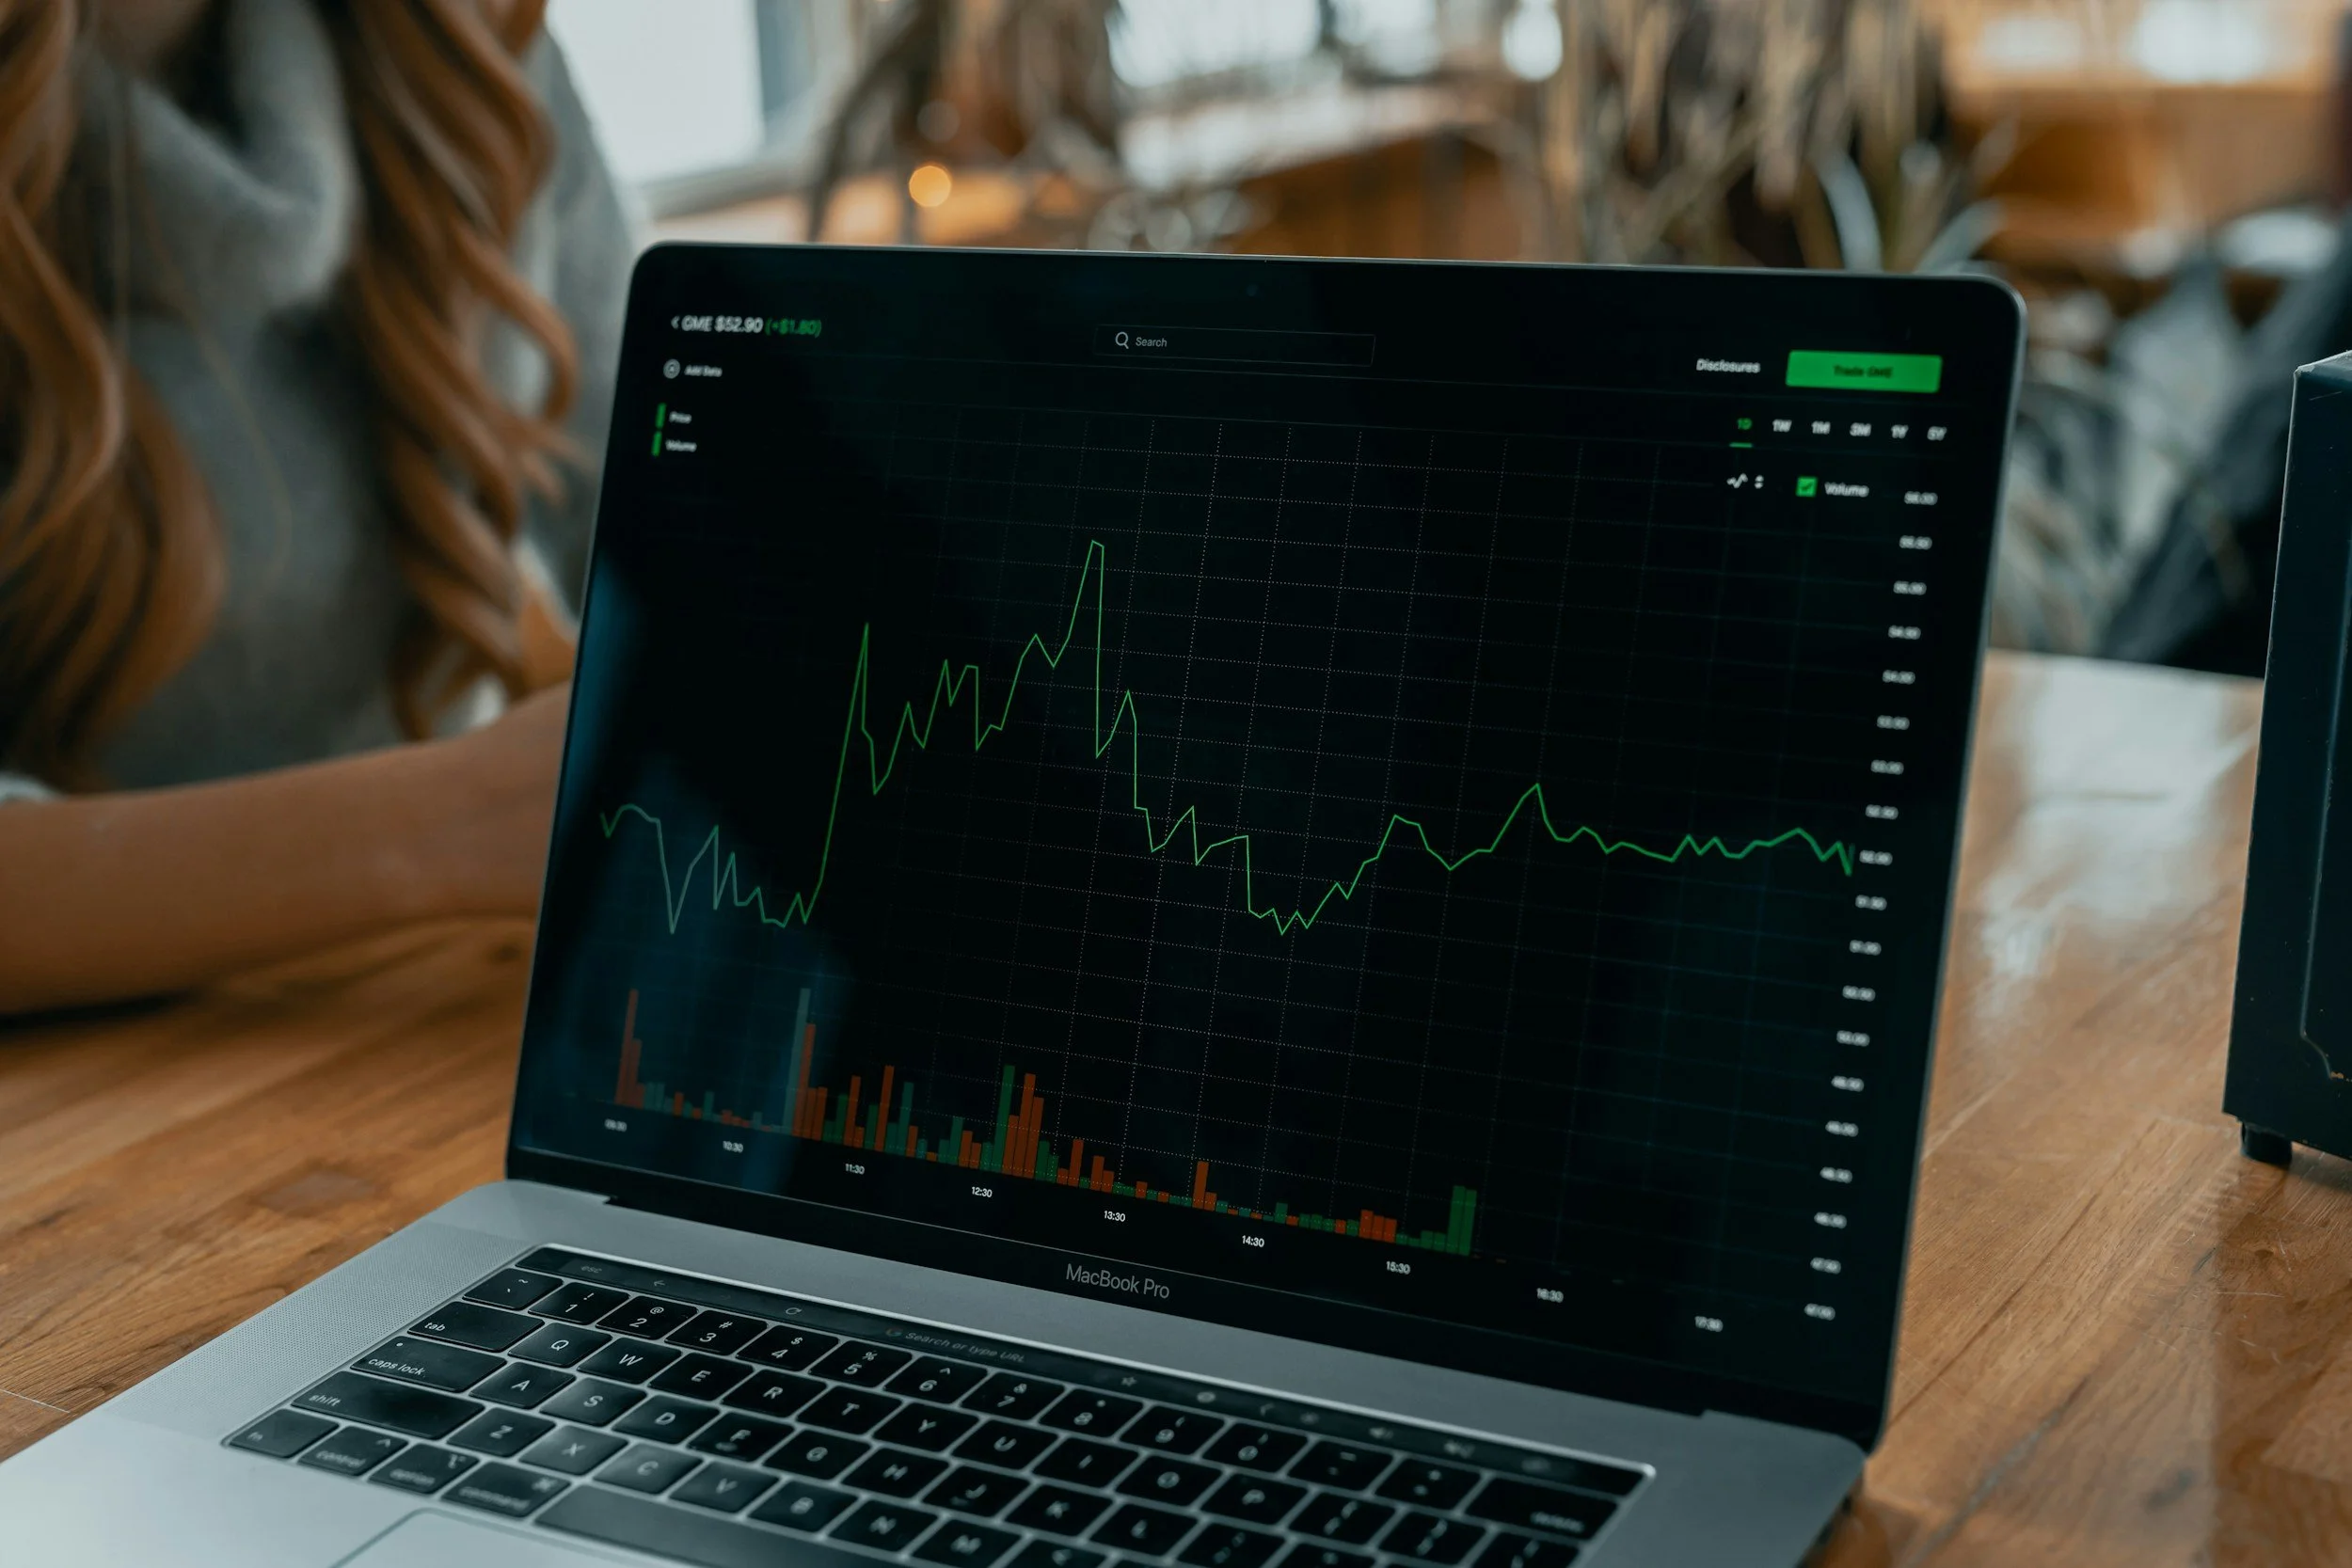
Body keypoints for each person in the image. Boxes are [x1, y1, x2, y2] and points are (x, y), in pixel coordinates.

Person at [0, 0, 634, 1013]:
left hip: (413, 1019)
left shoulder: (475, 44)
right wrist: (455, 821)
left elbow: (670, 526)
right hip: (76, 1113)